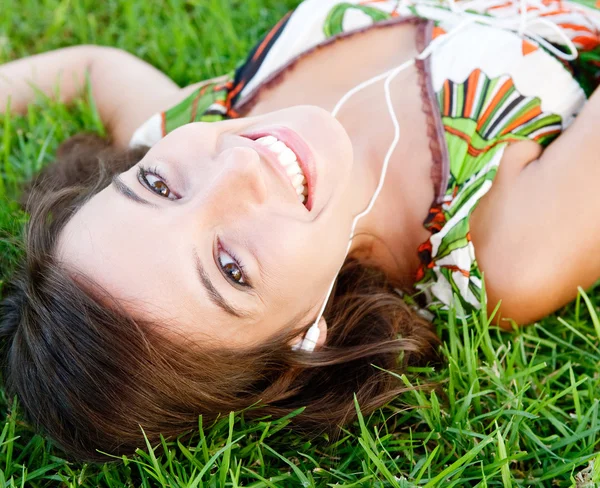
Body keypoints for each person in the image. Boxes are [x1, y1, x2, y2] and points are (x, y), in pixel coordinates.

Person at [1, 0, 599, 462]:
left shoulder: (193, 125)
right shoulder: (503, 250)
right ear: (302, 339)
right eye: (229, 267)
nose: (237, 164)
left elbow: (91, 69)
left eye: (156, 186)